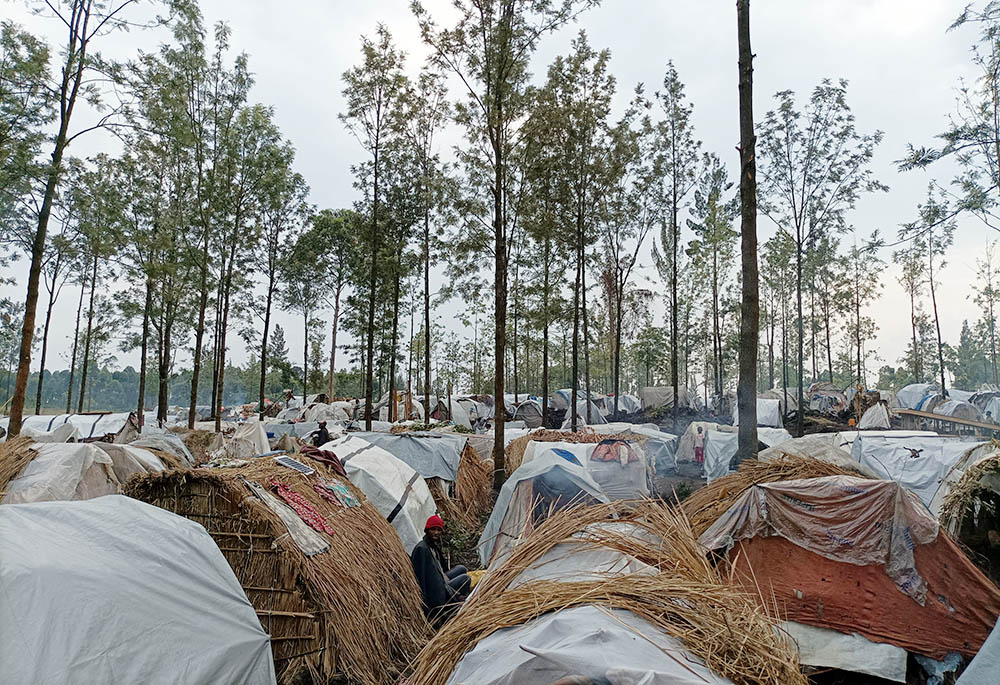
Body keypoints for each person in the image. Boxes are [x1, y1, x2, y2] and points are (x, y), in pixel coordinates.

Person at [410, 515, 470, 621]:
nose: (436, 533)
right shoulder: (422, 549)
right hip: (437, 590)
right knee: (465, 578)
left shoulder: (432, 546)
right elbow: (419, 577)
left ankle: (457, 599)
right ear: (427, 530)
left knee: (461, 568)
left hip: (441, 578)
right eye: (433, 529)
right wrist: (426, 604)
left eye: (439, 530)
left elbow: (440, 567)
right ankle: (454, 606)